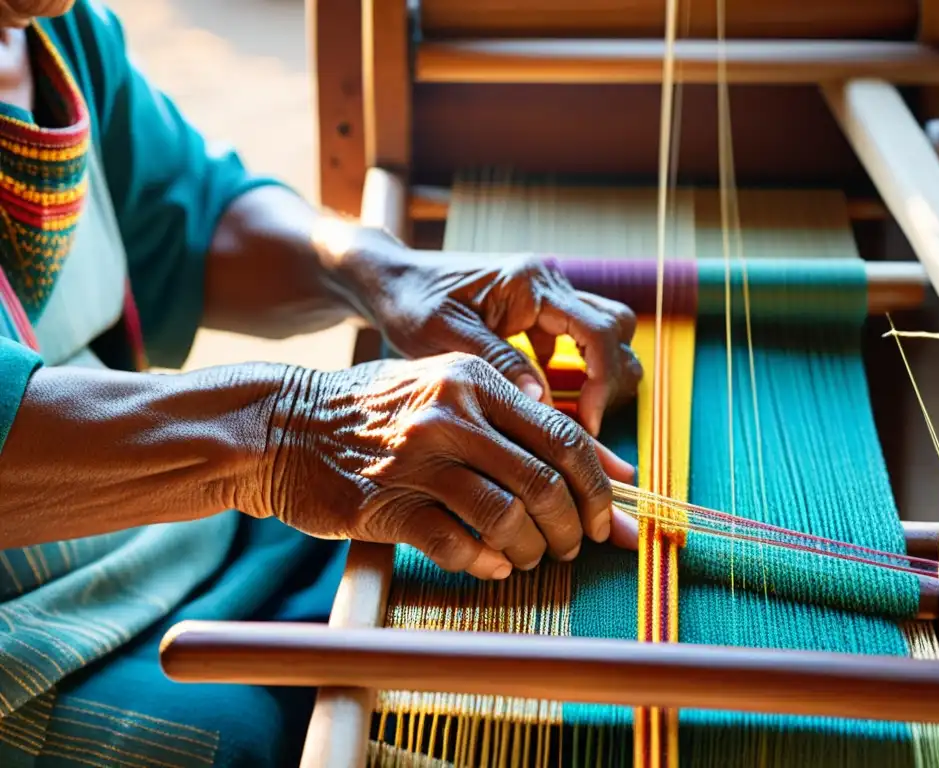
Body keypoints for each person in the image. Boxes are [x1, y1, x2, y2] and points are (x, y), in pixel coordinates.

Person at [0, 0, 642, 764]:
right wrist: (287, 432)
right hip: (32, 635)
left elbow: (195, 217)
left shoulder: (49, 32)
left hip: (161, 533)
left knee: (439, 544)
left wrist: (379, 268)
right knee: (242, 739)